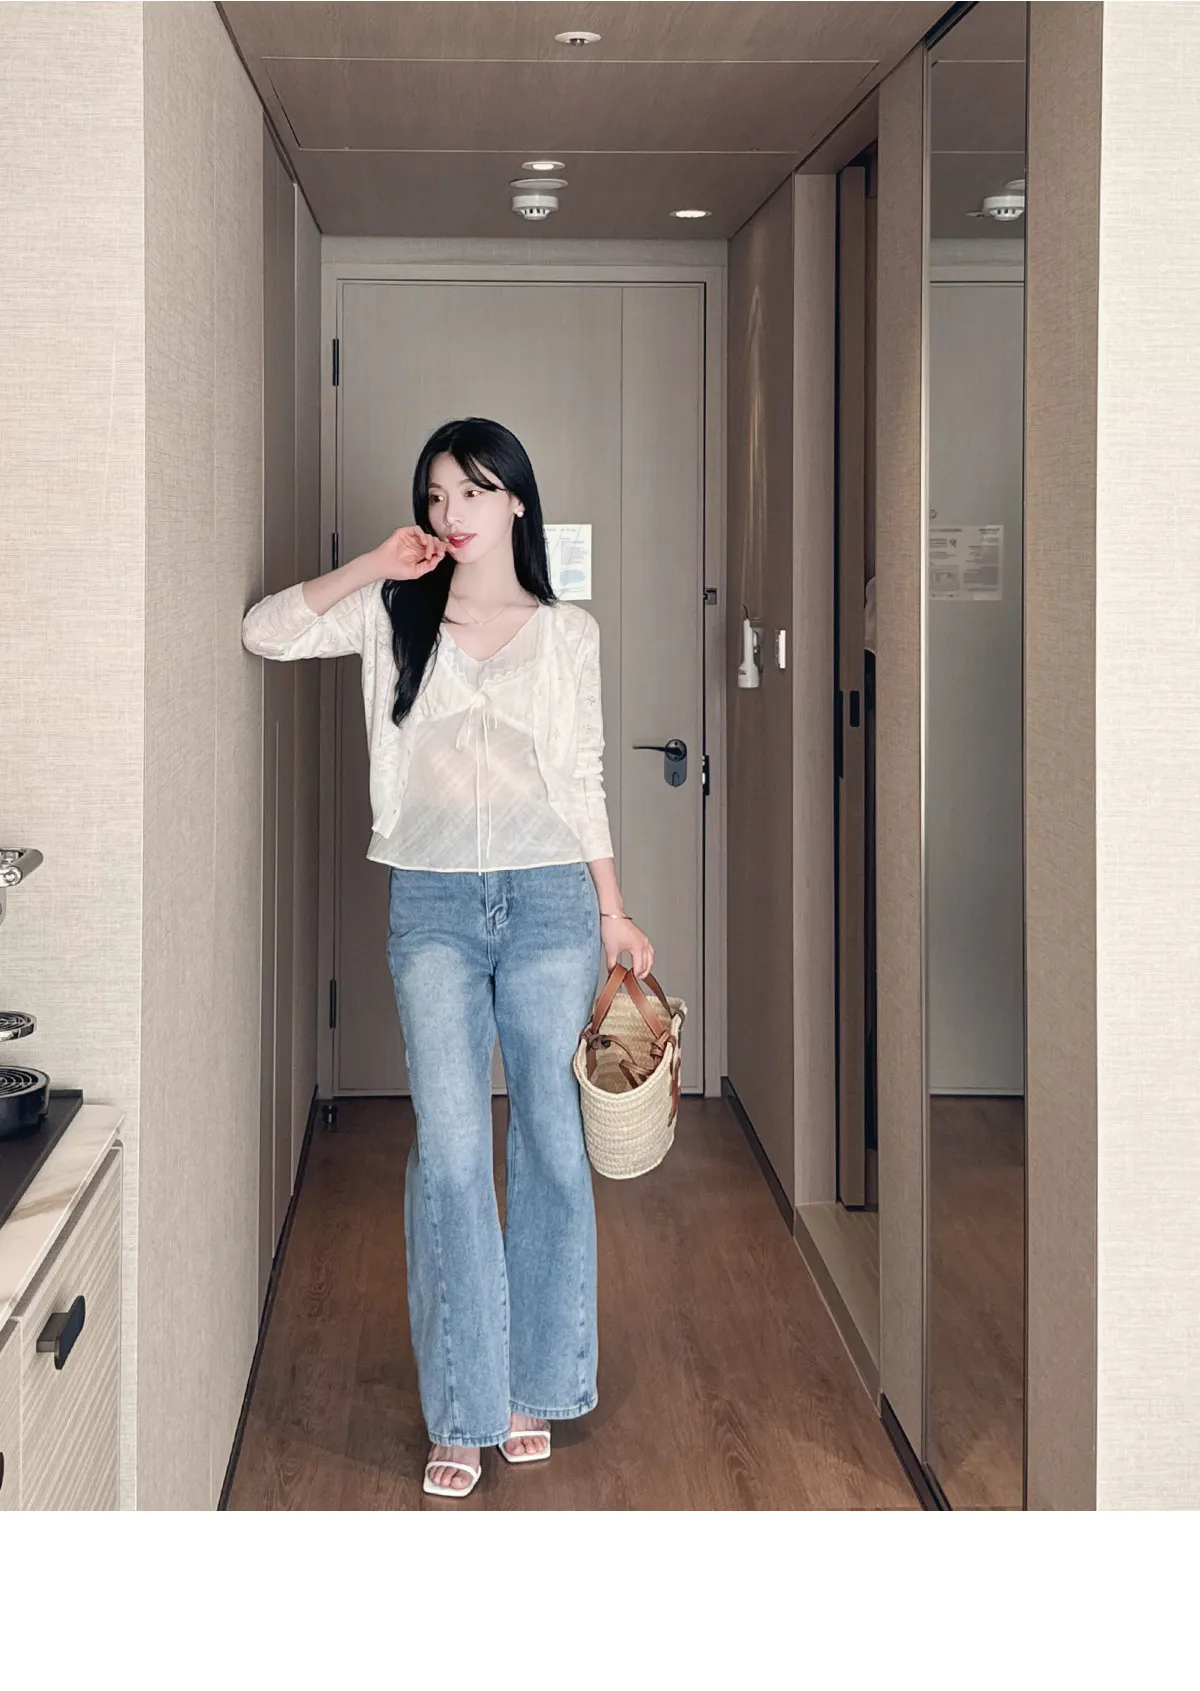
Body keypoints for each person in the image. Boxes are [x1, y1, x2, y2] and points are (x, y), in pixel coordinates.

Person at [241, 416, 653, 1499]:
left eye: (471, 491)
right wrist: (374, 564)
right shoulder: (394, 612)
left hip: (552, 901)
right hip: (431, 906)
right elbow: (264, 632)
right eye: (435, 496)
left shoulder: (567, 633)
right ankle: (465, 1402)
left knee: (552, 1144)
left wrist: (613, 910)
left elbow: (582, 774)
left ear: (515, 498)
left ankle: (534, 1386)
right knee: (455, 1154)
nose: (451, 513)